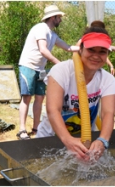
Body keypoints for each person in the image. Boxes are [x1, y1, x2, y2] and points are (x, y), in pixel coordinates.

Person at [37, 26, 115, 160]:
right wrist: (68, 140)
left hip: (83, 143)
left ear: (107, 54)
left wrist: (102, 140)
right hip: (50, 139)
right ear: (81, 49)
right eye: (91, 49)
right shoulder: (61, 71)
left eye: (102, 51)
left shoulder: (107, 79)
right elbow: (53, 109)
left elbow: (108, 113)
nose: (96, 56)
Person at [17, 5, 79, 140]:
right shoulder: (40, 28)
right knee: (26, 97)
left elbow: (67, 47)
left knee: (39, 98)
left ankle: (35, 128)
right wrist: (60, 64)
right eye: (59, 17)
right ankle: (22, 130)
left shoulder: (53, 34)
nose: (60, 20)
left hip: (40, 69)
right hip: (28, 66)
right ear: (53, 17)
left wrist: (84, 47)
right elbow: (43, 50)